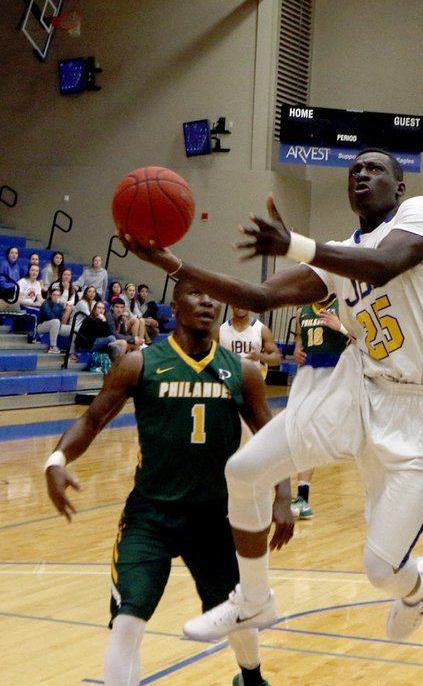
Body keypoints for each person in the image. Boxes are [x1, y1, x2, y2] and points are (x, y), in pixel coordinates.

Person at [123, 148, 423, 645]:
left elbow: (384, 265)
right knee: (243, 472)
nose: (362, 175)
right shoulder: (333, 256)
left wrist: (298, 244)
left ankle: (414, 586)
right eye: (355, 170)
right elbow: (259, 296)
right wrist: (174, 265)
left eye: (375, 169)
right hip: (358, 388)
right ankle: (255, 599)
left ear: (400, 187)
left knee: (380, 569)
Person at [44, 279, 294, 686]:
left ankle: (251, 678)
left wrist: (284, 495)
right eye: (196, 293)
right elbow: (92, 420)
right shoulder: (140, 364)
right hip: (150, 514)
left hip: (215, 515)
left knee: (239, 613)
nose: (208, 301)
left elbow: (272, 438)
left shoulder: (243, 372)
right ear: (174, 307)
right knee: (128, 620)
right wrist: (56, 461)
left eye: (213, 296)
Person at [290, 296, 354, 520]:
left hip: (338, 377)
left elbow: (363, 339)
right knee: (306, 436)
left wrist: (341, 327)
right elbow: (300, 338)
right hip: (310, 378)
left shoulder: (345, 306)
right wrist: (298, 349)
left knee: (360, 441)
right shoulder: (303, 310)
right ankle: (302, 497)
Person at [218, 306, 281, 380]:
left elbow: (277, 359)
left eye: (244, 302)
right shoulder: (220, 330)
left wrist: (260, 356)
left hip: (252, 381)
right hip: (227, 381)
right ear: (231, 304)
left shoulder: (262, 329)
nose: (240, 305)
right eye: (237, 301)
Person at [38, 285, 72, 353]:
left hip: (56, 326)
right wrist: (57, 305)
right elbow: (51, 316)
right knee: (55, 321)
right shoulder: (45, 303)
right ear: (50, 295)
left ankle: (72, 351)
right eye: (54, 295)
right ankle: (52, 347)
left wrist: (60, 306)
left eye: (58, 295)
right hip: (42, 326)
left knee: (73, 329)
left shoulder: (60, 305)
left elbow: (60, 318)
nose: (56, 297)